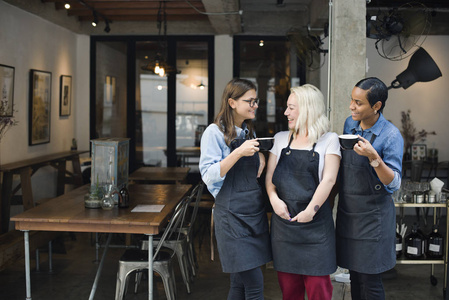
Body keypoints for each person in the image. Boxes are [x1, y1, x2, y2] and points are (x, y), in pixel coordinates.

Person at [265, 84, 341, 300]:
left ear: (307, 109)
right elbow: (270, 178)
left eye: (291, 107)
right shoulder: (280, 139)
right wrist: (274, 200)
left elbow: (329, 179)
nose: (285, 112)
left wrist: (311, 210)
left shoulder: (329, 140)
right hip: (284, 225)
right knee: (289, 291)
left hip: (316, 227)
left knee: (320, 290)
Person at [199, 78, 272, 300]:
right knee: (254, 282)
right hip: (231, 216)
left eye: (256, 100)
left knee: (239, 283)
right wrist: (238, 153)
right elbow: (208, 175)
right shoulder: (214, 132)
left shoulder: (246, 131)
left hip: (252, 213)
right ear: (232, 102)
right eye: (249, 101)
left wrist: (259, 155)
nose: (255, 105)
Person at [335, 77, 403, 300]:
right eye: (351, 100)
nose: (351, 107)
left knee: (370, 280)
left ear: (376, 106)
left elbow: (393, 184)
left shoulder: (391, 136)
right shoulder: (349, 124)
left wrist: (374, 157)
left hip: (374, 219)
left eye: (358, 102)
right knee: (355, 276)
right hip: (349, 215)